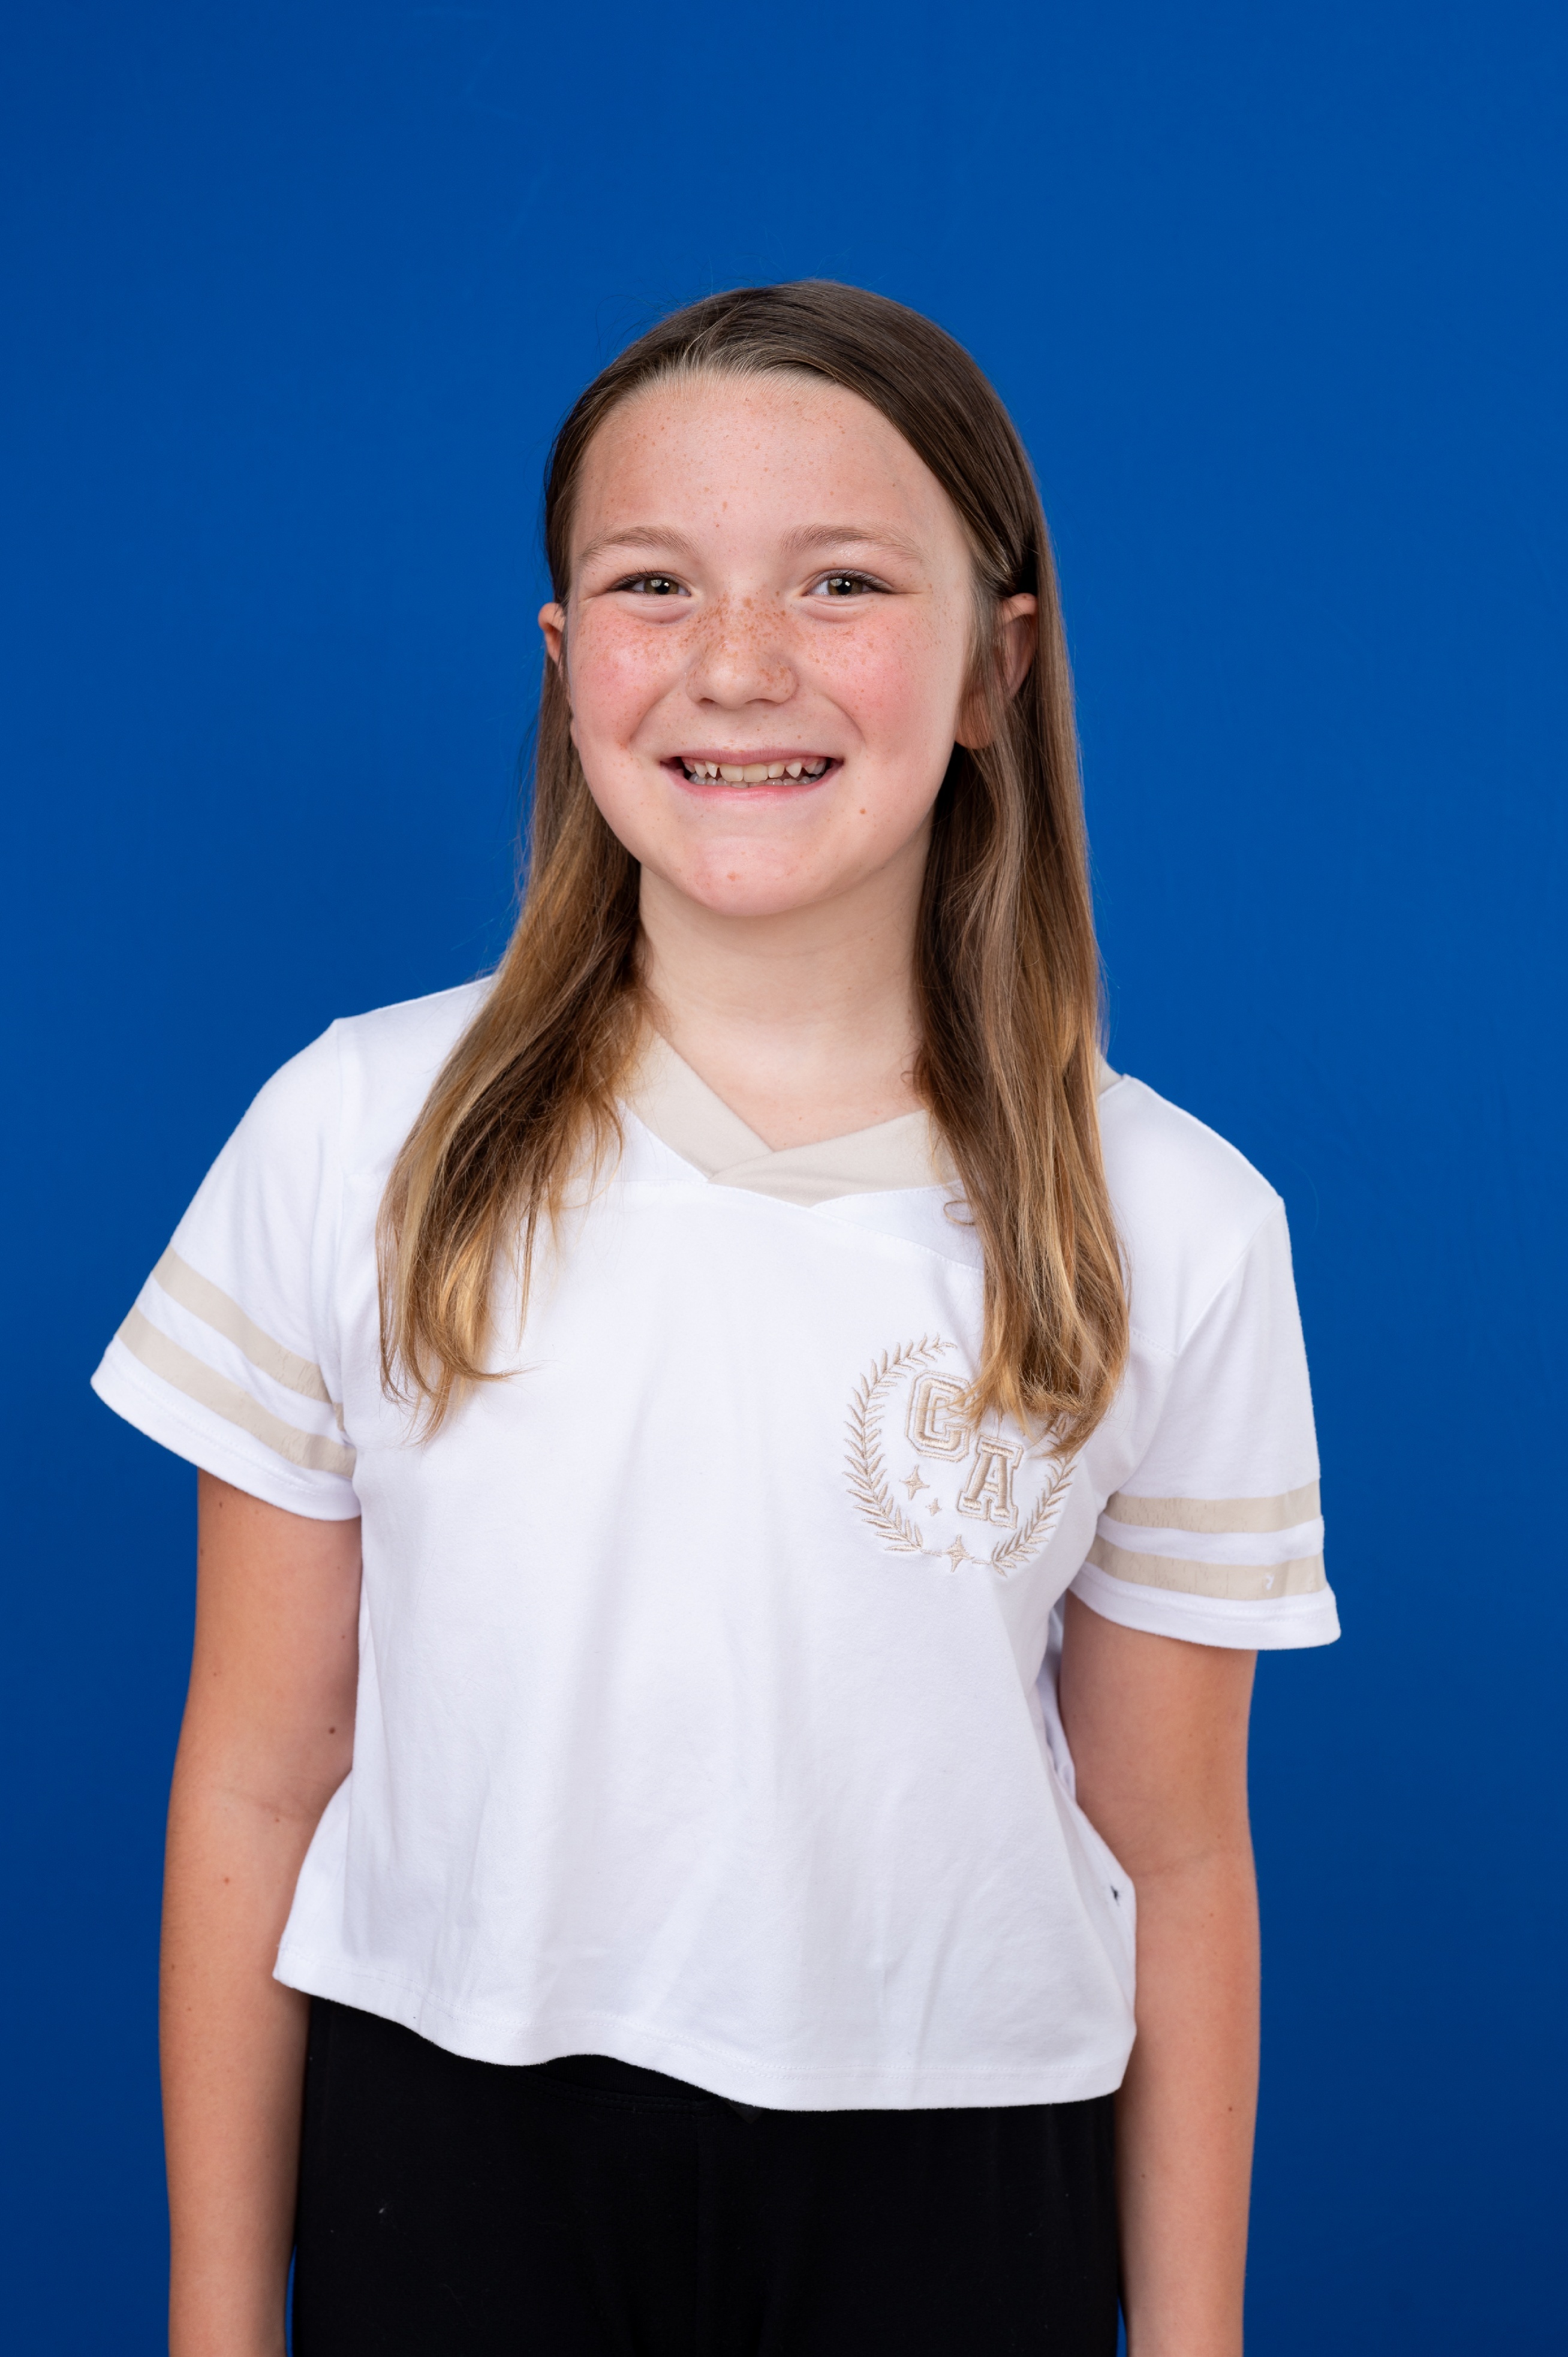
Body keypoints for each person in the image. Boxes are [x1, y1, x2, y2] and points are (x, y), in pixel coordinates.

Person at [94, 281, 1338, 2357]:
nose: (739, 661)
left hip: (961, 2179)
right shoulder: (353, 1133)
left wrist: (1193, 2337)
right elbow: (257, 1765)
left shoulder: (1177, 1225)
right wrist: (218, 2319)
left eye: (842, 581)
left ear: (996, 664)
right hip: (447, 2150)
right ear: (565, 659)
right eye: (653, 582)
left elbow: (1178, 1850)